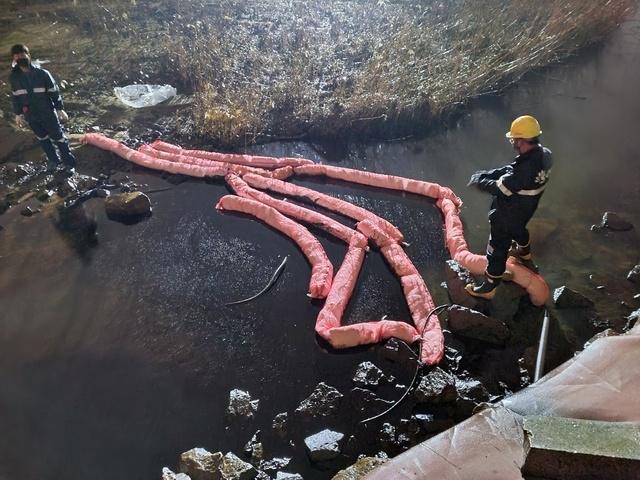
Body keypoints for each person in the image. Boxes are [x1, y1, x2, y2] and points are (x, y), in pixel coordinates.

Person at [465, 115, 552, 300]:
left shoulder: (523, 170)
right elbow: (510, 169)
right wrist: (488, 173)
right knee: (520, 230)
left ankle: (489, 286)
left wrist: (479, 181)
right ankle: (525, 254)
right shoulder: (544, 155)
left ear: (520, 140)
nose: (512, 142)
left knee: (496, 249)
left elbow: (501, 188)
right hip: (526, 210)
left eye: (514, 139)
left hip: (508, 215)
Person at [9, 43, 76, 175]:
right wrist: (18, 114)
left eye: (22, 54)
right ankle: (53, 161)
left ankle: (69, 164)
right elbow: (15, 97)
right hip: (31, 114)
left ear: (28, 55)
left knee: (59, 138)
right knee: (42, 139)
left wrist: (59, 109)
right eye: (16, 55)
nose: (19, 57)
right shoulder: (14, 77)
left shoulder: (42, 74)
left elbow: (54, 91)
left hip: (47, 112)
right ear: (14, 59)